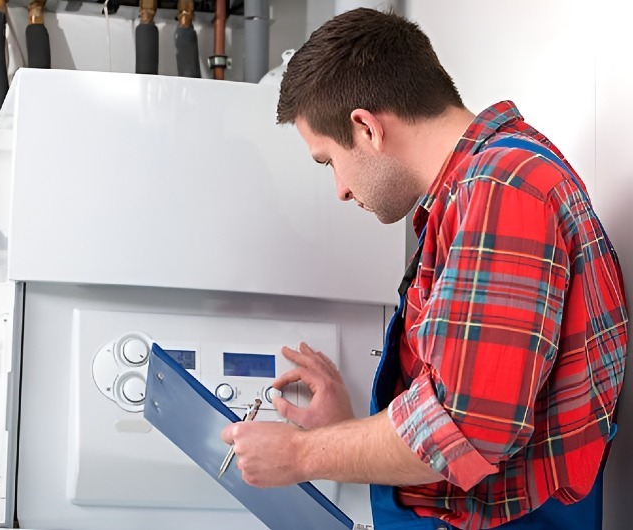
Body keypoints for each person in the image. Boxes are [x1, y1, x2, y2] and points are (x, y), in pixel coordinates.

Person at [220, 8, 628, 530]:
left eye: (328, 162)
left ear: (366, 127)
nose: (341, 189)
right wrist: (347, 430)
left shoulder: (501, 190)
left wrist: (304, 454)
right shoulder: (469, 196)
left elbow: (466, 428)